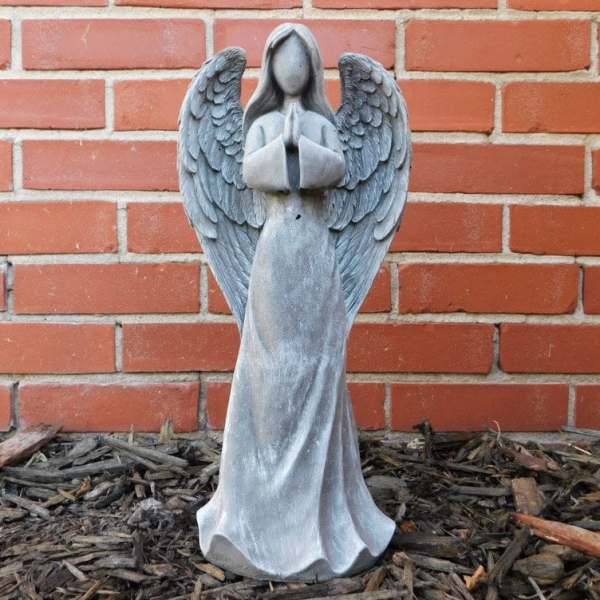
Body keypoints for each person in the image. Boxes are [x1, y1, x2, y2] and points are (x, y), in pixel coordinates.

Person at [196, 23, 396, 582]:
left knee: (317, 365)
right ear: (269, 67)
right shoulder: (260, 124)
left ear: (311, 68)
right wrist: (281, 146)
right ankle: (256, 510)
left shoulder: (321, 124)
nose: (290, 70)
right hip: (276, 250)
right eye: (281, 60)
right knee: (268, 367)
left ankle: (320, 513)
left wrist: (300, 146)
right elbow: (250, 172)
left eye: (299, 60)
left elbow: (335, 170)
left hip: (315, 253)